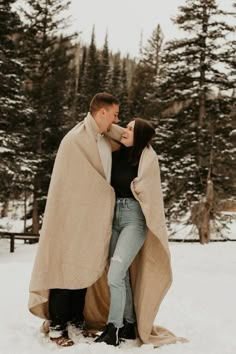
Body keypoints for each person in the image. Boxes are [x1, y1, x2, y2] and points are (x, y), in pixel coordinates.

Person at [28, 92, 122, 347]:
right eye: (114, 114)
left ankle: (76, 320)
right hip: (70, 216)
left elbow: (127, 138)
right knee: (64, 267)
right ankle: (58, 326)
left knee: (84, 265)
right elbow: (71, 182)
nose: (117, 119)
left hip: (91, 218)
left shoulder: (104, 139)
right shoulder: (75, 140)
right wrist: (106, 193)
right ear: (101, 112)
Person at [95, 118, 156, 346]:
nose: (125, 131)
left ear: (139, 136)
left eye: (130, 129)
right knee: (120, 276)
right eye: (126, 126)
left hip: (134, 220)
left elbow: (150, 191)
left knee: (114, 276)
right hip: (113, 218)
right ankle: (129, 324)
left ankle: (114, 329)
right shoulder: (115, 155)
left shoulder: (146, 160)